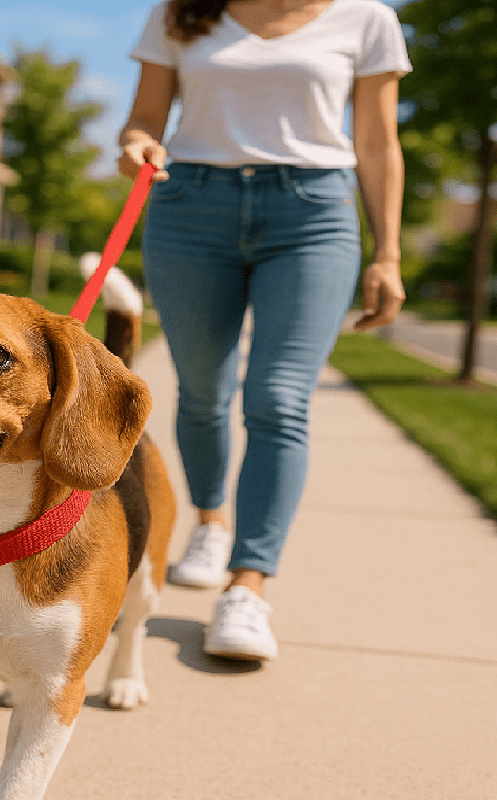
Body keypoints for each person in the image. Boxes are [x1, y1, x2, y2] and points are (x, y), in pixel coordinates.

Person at [118, 0, 411, 660]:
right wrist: (135, 144)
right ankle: (211, 520)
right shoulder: (180, 14)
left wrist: (388, 254)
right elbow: (143, 118)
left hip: (312, 211)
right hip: (190, 206)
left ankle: (247, 588)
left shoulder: (367, 19)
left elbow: (375, 142)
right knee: (201, 391)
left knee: (279, 400)